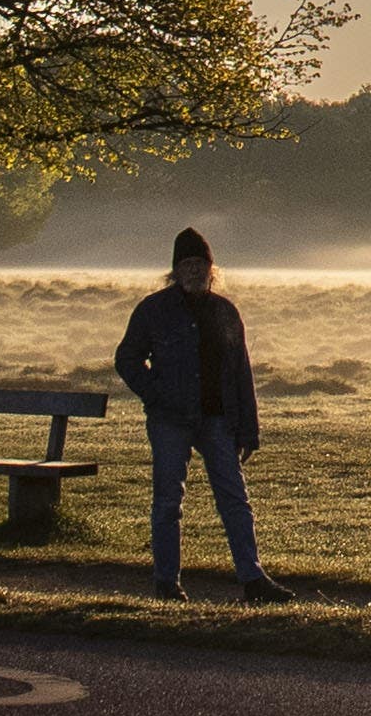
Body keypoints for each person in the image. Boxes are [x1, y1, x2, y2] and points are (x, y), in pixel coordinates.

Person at [113, 227, 272, 601]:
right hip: (171, 420)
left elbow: (241, 372)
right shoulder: (153, 310)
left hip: (219, 420)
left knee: (235, 500)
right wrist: (157, 396)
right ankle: (166, 584)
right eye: (186, 264)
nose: (194, 270)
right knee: (169, 502)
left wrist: (249, 430)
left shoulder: (225, 311)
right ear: (175, 269)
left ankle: (253, 581)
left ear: (211, 269)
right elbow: (127, 359)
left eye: (200, 263)